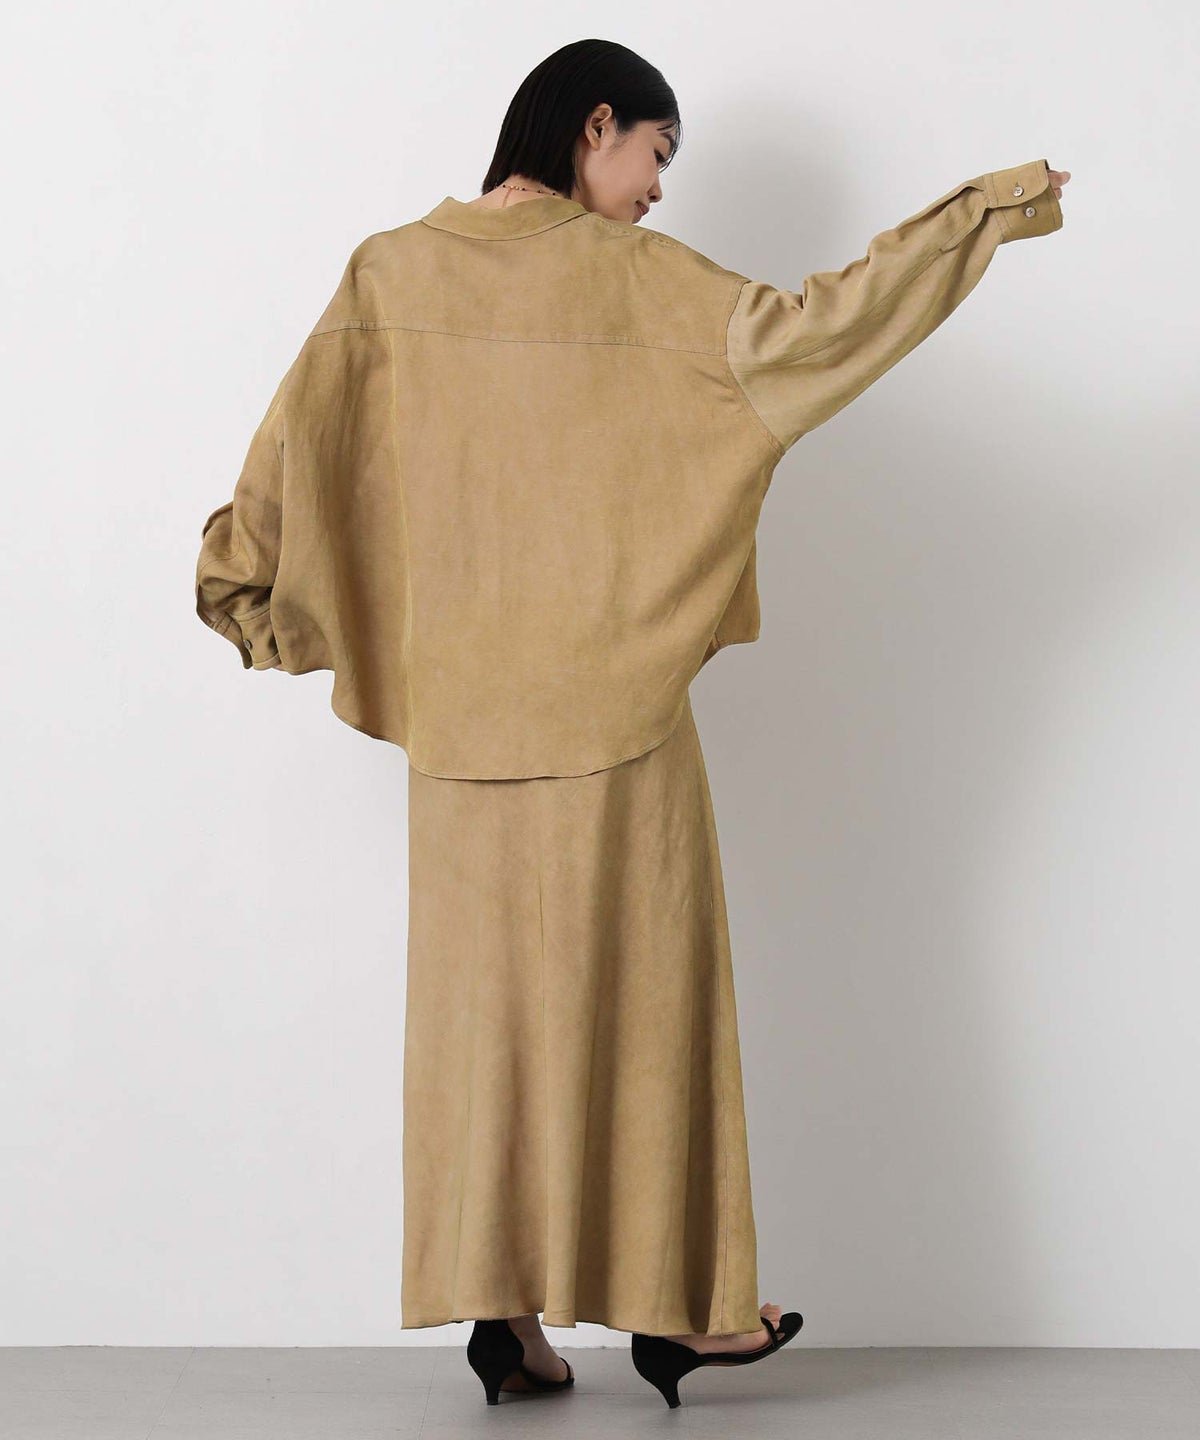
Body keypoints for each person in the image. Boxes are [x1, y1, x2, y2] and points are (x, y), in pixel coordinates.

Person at [193, 37, 1069, 1409]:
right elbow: (825, 330)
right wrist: (984, 216)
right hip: (619, 729)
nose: (659, 189)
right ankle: (688, 1316)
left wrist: (246, 591)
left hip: (461, 744)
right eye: (657, 154)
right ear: (595, 124)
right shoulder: (645, 285)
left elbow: (293, 460)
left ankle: (508, 1321)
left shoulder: (387, 276)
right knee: (655, 1021)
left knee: (486, 1036)